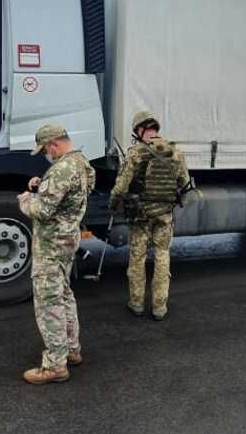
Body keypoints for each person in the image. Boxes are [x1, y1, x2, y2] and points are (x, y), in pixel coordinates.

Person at [17, 124, 96, 385]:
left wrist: (26, 199)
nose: (45, 156)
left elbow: (42, 210)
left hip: (51, 245)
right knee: (63, 294)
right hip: (67, 240)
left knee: (49, 302)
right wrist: (43, 185)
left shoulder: (62, 168)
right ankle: (72, 349)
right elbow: (71, 193)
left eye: (45, 151)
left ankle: (55, 365)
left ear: (53, 145)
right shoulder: (81, 162)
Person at [110, 111, 190, 321]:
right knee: (162, 256)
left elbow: (121, 186)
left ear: (139, 129)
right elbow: (184, 182)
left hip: (141, 215)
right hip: (164, 215)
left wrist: (113, 203)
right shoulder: (175, 150)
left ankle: (136, 304)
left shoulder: (136, 152)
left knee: (137, 258)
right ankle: (159, 307)